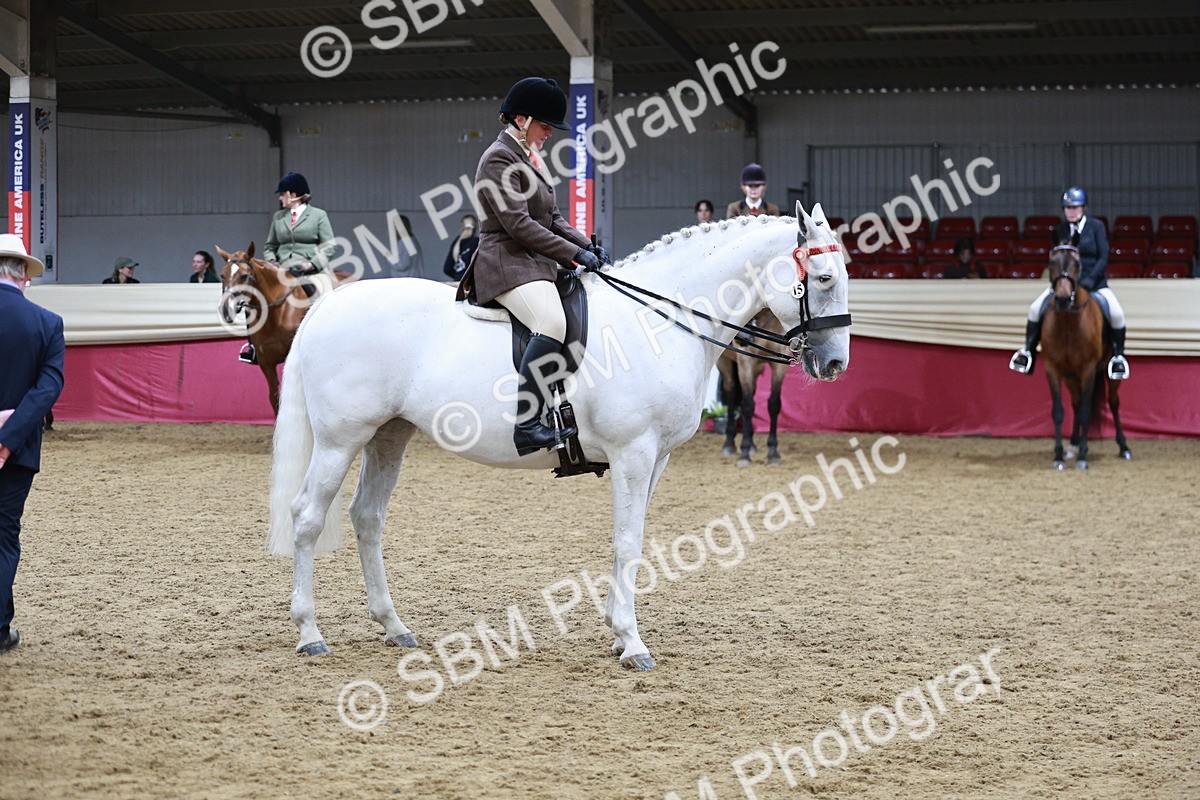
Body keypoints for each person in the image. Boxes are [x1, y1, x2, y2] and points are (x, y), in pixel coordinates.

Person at [455, 76, 610, 456]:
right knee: (551, 323)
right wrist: (573, 256)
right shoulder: (498, 158)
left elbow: (553, 218)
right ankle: (527, 425)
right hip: (505, 261)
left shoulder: (527, 158)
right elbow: (519, 225)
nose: (549, 134)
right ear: (522, 119)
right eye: (545, 126)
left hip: (531, 260)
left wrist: (588, 246)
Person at [0, 234, 66, 653]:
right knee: (4, 536)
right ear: (24, 273)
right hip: (19, 450)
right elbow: (48, 388)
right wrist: (6, 440)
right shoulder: (47, 323)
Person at [1009, 187, 1128, 379]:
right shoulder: (1059, 230)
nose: (1071, 211)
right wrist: (1057, 282)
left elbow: (1103, 256)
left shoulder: (1096, 227)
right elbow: (1055, 260)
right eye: (1068, 208)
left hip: (1094, 284)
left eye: (1075, 207)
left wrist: (1089, 280)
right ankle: (1028, 353)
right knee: (1034, 309)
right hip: (1063, 285)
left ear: (1083, 208)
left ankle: (1118, 358)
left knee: (1117, 314)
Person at [241, 171, 335, 364]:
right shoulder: (278, 217)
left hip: (310, 270)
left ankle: (327, 339)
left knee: (322, 297)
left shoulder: (318, 216)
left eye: (282, 194)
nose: (280, 198)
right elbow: (270, 246)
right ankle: (253, 346)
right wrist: (271, 261)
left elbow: (329, 245)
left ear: (293, 195)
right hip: (282, 269)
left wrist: (312, 263)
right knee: (253, 295)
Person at [443, 214, 480, 281]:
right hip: (471, 283)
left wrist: (458, 275)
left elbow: (447, 269)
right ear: (475, 227)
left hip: (458, 282)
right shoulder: (477, 242)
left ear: (462, 227)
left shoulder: (456, 242)